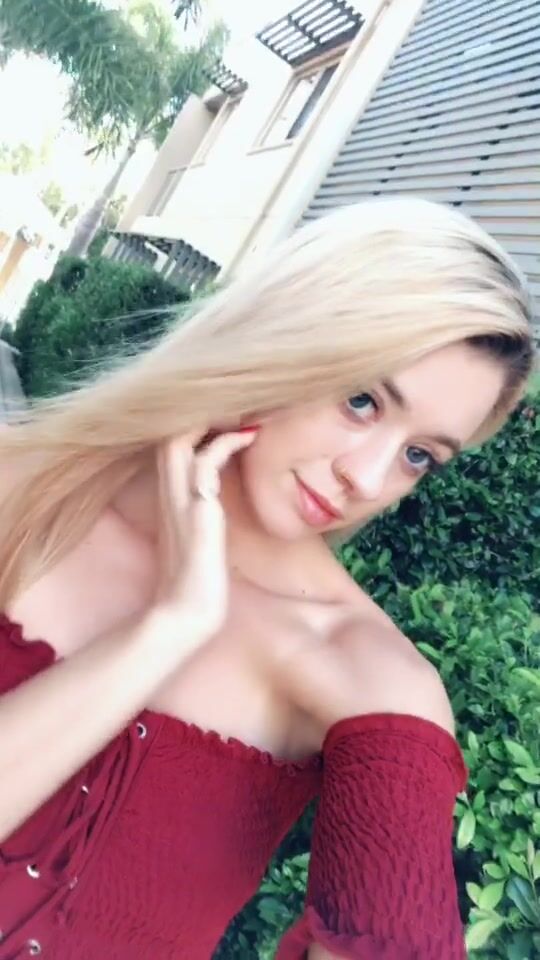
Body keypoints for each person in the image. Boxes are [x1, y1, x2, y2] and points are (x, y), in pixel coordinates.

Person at [0, 197, 534, 960]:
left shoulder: (370, 679)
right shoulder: (20, 484)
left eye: (420, 455)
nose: (368, 478)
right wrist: (168, 629)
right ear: (284, 338)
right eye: (362, 400)